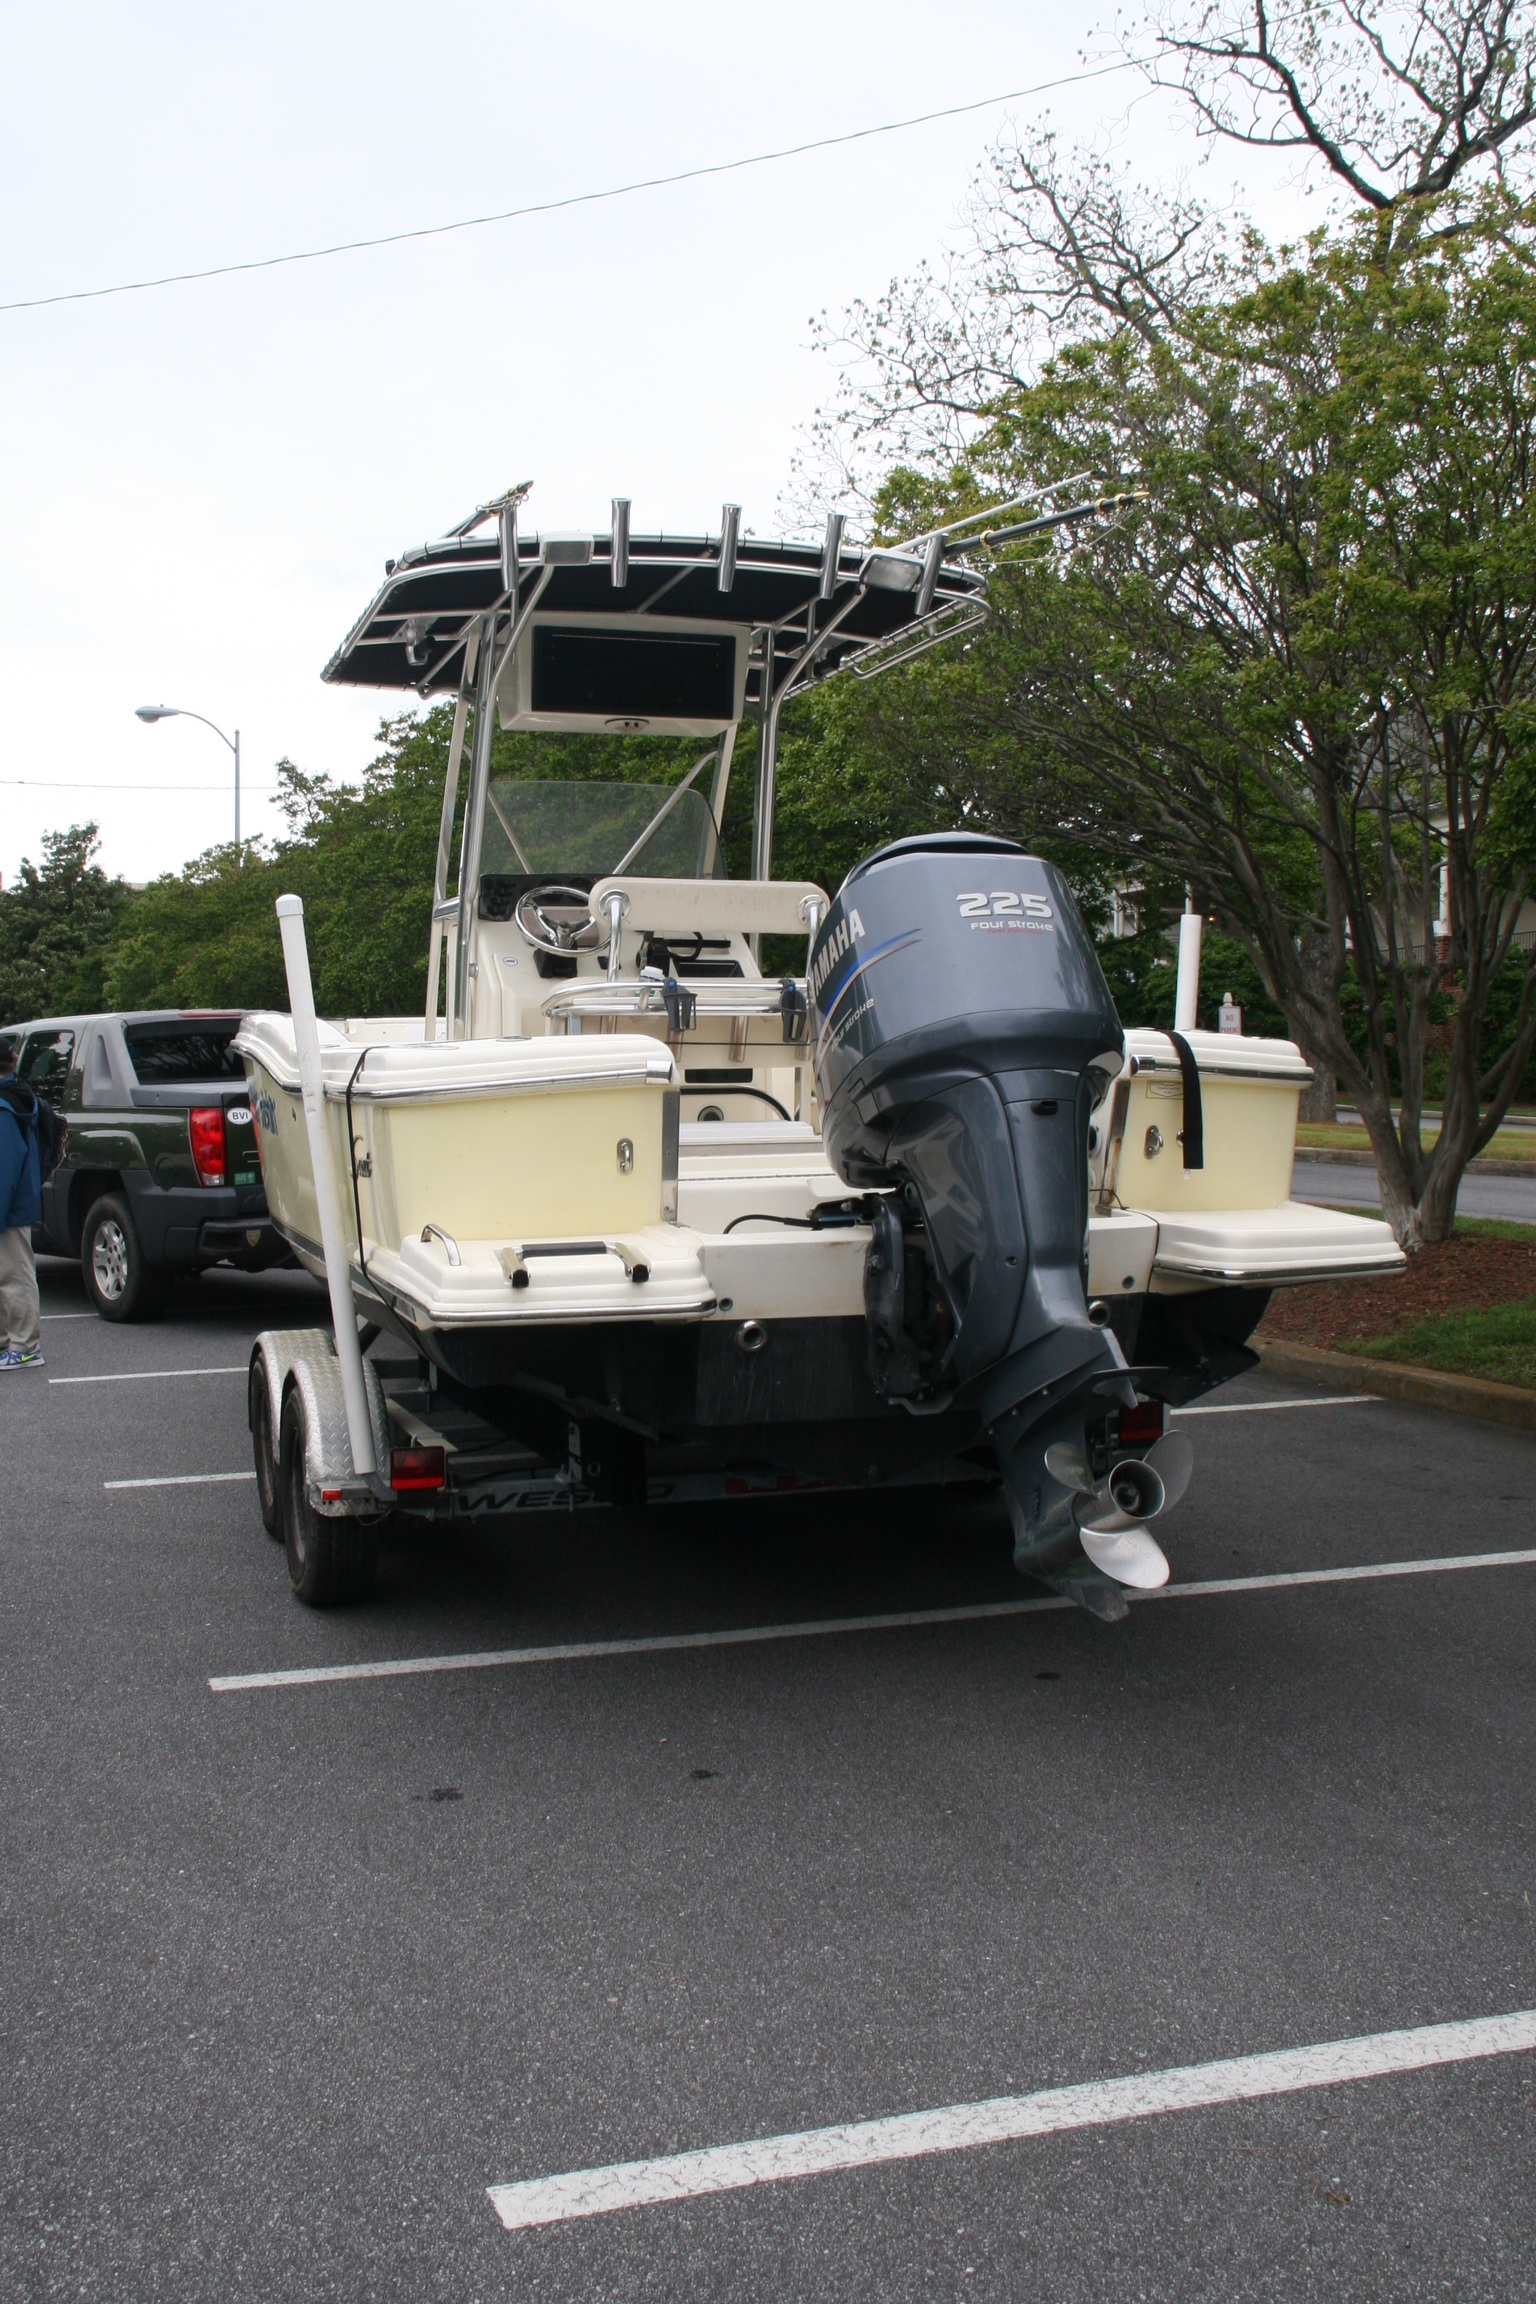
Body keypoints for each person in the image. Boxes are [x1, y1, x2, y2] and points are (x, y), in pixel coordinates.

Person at [0, 1040, 44, 1370]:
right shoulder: (17, 1096)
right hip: (15, 1202)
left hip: (9, 1206)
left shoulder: (5, 1107)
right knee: (8, 1275)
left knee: (16, 1276)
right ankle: (9, 1340)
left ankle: (25, 1345)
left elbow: (6, 1165)